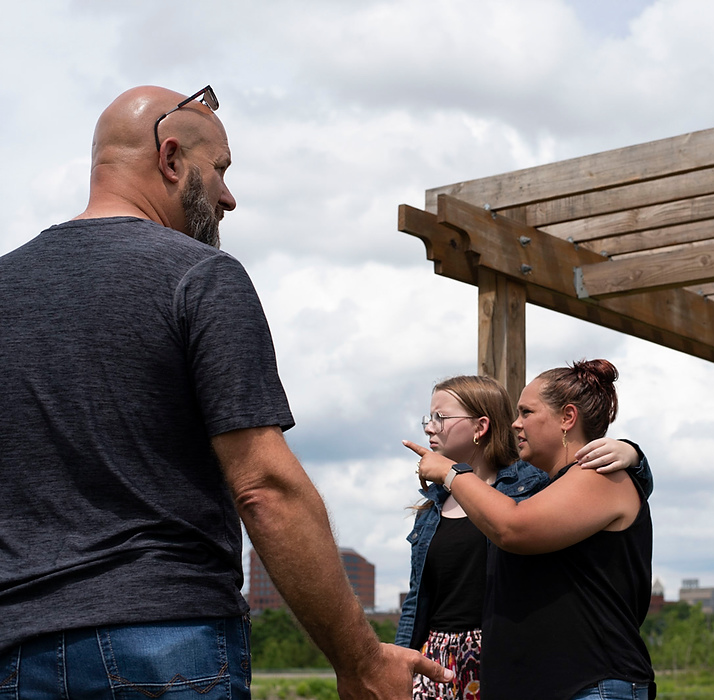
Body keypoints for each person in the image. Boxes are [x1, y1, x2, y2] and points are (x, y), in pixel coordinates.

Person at [0, 85, 451, 699]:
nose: (230, 197)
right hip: (164, 645)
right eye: (221, 170)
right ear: (170, 158)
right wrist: (363, 662)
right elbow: (264, 488)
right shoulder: (198, 274)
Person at [407, 360, 655, 700]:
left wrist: (451, 474)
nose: (515, 423)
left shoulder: (598, 475)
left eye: (526, 412)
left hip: (589, 685)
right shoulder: (551, 488)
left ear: (568, 418)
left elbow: (512, 527)